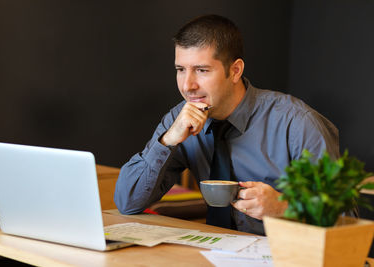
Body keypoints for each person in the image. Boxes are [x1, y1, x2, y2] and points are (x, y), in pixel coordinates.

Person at [114, 14, 339, 235]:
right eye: (180, 70)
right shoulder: (179, 119)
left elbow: (346, 221)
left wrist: (284, 209)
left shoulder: (297, 123)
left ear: (235, 71)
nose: (187, 85)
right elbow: (128, 202)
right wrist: (167, 140)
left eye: (202, 70)